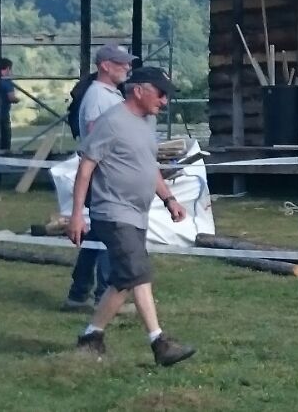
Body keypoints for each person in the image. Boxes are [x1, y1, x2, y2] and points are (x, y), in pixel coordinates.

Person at [69, 66, 196, 366]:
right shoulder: (111, 122)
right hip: (112, 212)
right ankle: (159, 343)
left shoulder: (147, 122)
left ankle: (91, 336)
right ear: (139, 90)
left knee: (124, 279)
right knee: (139, 272)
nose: (164, 102)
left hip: (137, 214)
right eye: (160, 94)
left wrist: (169, 199)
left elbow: (148, 166)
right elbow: (86, 167)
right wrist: (77, 214)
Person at [63, 44, 138, 312]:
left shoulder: (108, 94)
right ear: (105, 65)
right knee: (111, 236)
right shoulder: (98, 97)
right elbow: (98, 134)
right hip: (106, 174)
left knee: (97, 234)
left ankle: (78, 292)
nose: (127, 67)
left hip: (108, 172)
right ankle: (104, 298)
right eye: (122, 63)